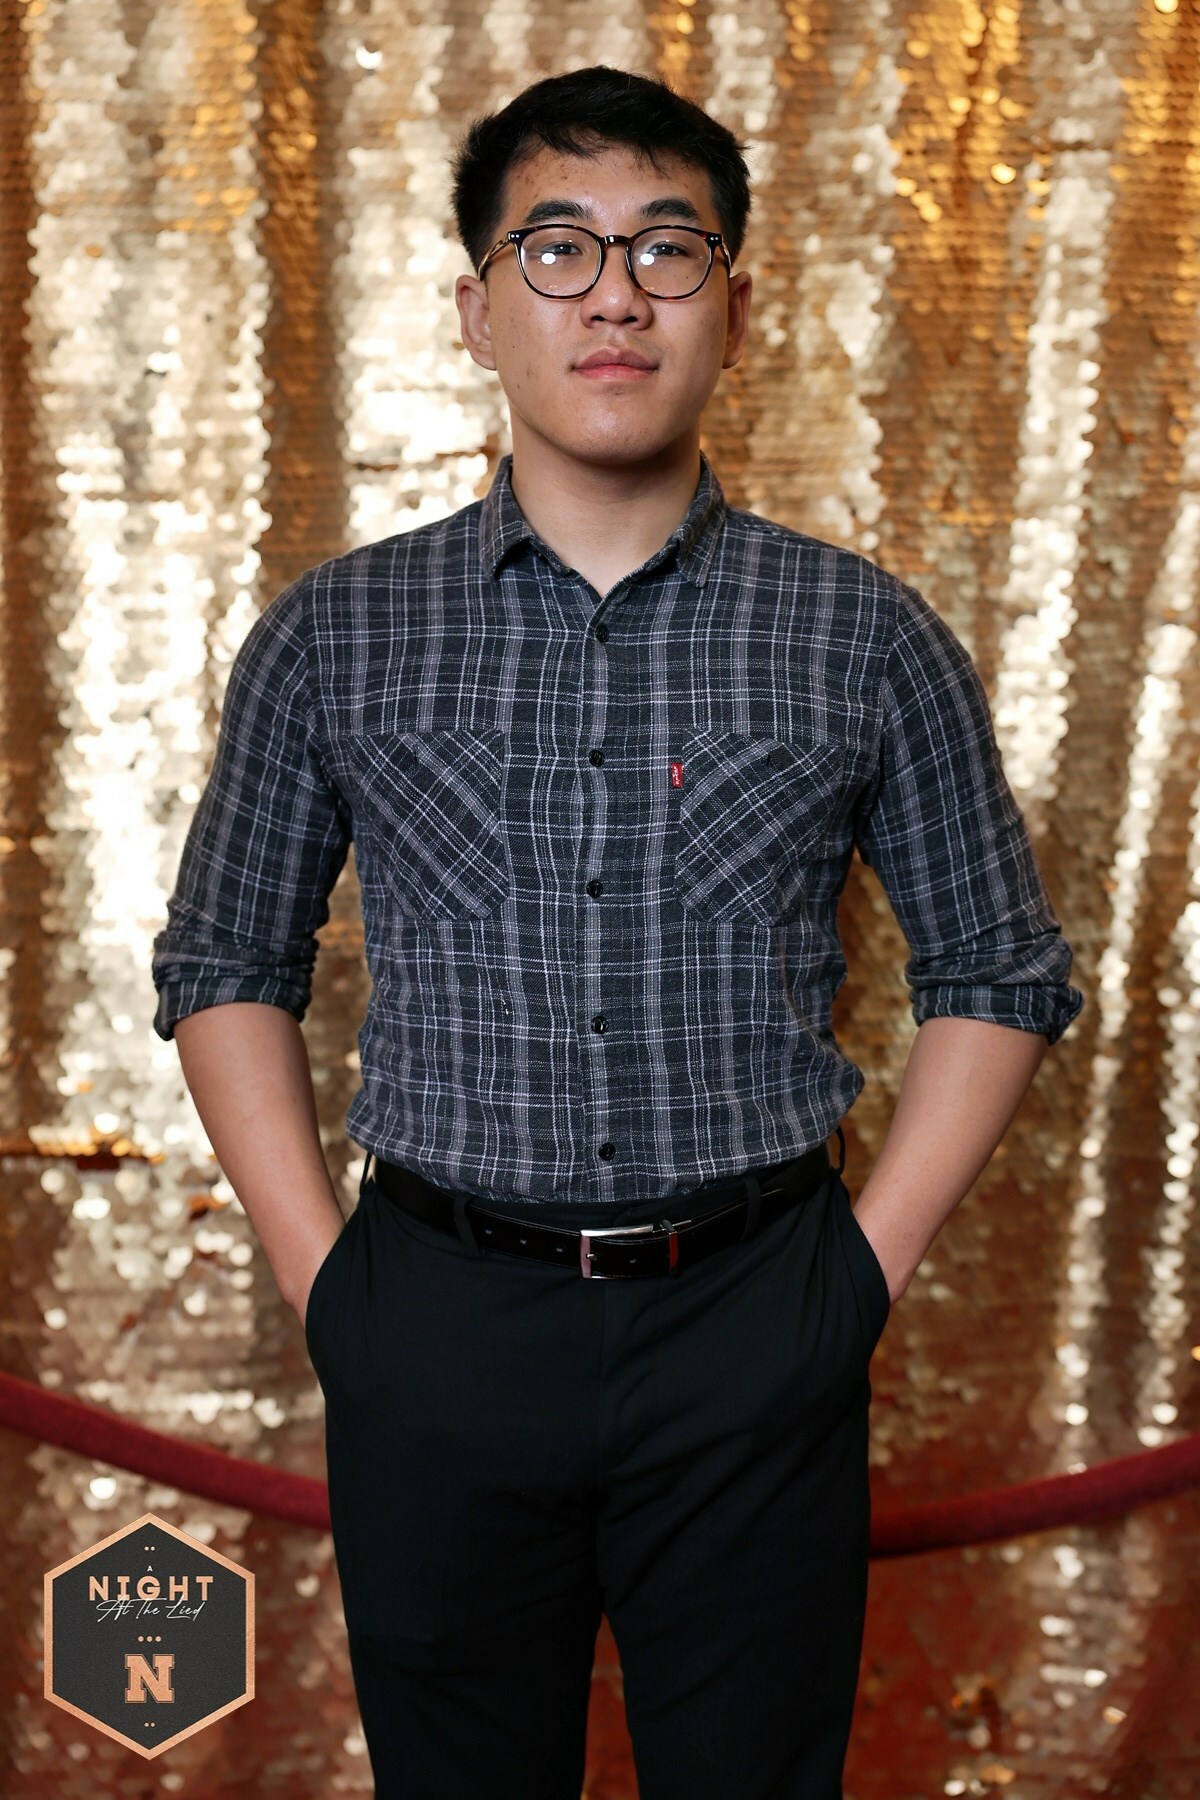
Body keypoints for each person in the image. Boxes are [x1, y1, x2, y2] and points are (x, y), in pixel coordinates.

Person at [151, 63, 1085, 1800]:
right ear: (477, 309)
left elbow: (1001, 973)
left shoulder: (862, 635)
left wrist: (853, 1283)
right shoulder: (338, 634)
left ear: (738, 306)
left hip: (757, 1316)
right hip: (435, 1316)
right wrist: (329, 1290)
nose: (614, 296)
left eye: (668, 248)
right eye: (558, 249)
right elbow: (223, 962)